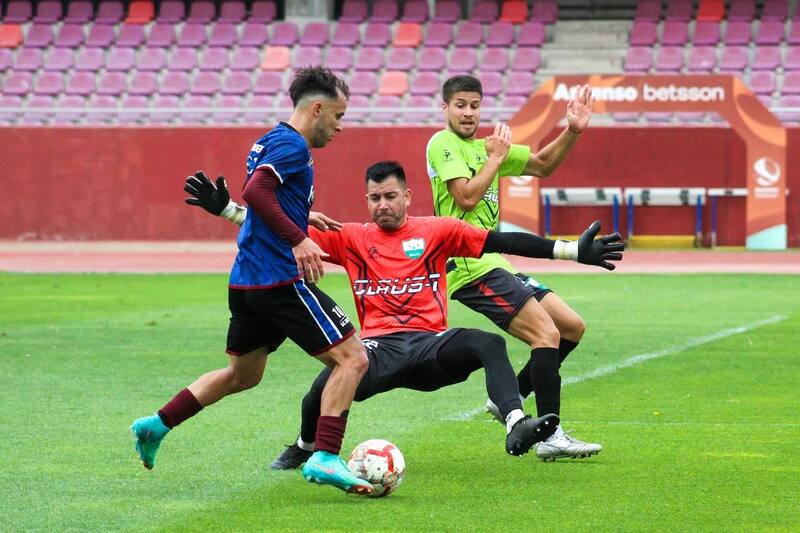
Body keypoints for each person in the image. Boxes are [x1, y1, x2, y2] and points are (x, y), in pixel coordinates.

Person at [184, 161, 622, 470]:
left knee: (488, 343)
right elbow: (281, 232)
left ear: (407, 196)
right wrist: (227, 210)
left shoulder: (438, 230)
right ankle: (304, 445)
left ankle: (515, 423)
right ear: (367, 200)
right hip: (378, 348)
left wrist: (570, 250)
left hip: (431, 346)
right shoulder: (351, 237)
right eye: (375, 198)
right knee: (323, 385)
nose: (383, 205)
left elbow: (503, 241)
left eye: (391, 196)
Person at [130, 67, 375, 495]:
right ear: (317, 108)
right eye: (338, 115)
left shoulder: (270, 139)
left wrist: (301, 214)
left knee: (242, 375)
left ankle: (157, 424)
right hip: (277, 280)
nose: (340, 126)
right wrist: (299, 238)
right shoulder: (293, 146)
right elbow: (256, 190)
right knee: (353, 359)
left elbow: (265, 199)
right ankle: (325, 456)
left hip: (247, 282)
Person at [427, 75, 601, 460]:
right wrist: (495, 160)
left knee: (570, 327)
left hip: (496, 263)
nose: (468, 113)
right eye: (460, 105)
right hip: (470, 266)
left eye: (474, 105)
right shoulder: (442, 144)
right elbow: (466, 198)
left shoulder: (486, 148)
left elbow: (543, 165)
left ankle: (512, 395)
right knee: (545, 334)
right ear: (445, 108)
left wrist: (572, 130)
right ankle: (552, 436)